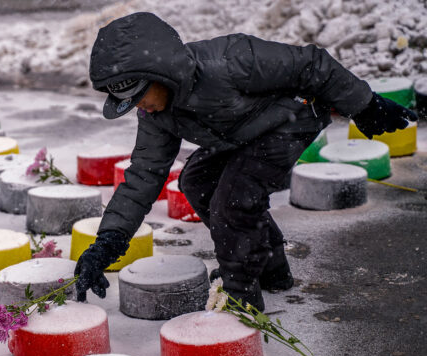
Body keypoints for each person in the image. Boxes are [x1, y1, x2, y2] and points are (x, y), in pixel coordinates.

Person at [75, 12, 417, 310]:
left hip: (292, 117)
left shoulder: (228, 60)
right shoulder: (156, 114)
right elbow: (143, 176)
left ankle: (241, 300)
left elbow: (311, 63)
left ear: (161, 74)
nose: (139, 106)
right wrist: (109, 242)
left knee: (235, 198)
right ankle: (272, 269)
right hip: (244, 132)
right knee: (196, 180)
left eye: (139, 96)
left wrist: (366, 104)